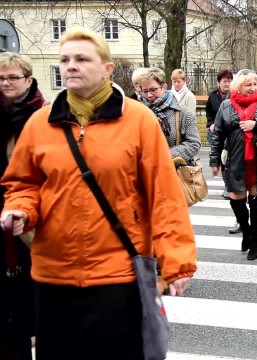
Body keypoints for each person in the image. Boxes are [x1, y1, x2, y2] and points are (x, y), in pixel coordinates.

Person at [0, 26, 196, 359]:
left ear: (107, 69)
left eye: (81, 59)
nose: (70, 66)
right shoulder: (40, 122)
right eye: (64, 60)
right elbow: (23, 182)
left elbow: (164, 196)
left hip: (116, 274)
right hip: (52, 275)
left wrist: (177, 263)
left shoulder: (138, 121)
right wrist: (20, 209)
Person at [0, 51, 47, 360]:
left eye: (12, 77)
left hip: (31, 218)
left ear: (29, 80)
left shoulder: (43, 116)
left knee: (32, 299)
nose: (5, 83)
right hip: (2, 217)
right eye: (1, 78)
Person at [210, 69, 257, 260]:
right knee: (236, 200)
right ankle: (246, 230)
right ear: (238, 86)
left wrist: (256, 123)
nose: (253, 88)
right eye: (248, 85)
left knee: (256, 200)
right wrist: (214, 160)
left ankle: (255, 240)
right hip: (235, 159)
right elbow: (218, 135)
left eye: (255, 84)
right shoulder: (225, 106)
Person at [139, 67, 201, 161]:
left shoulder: (183, 114)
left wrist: (165, 156)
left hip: (172, 171)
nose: (149, 95)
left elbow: (194, 143)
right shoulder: (138, 113)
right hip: (143, 171)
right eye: (145, 91)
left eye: (153, 90)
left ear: (164, 87)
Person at [206, 70, 238, 231]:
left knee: (227, 160)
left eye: (229, 81)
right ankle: (227, 183)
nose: (227, 83)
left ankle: (229, 185)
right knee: (219, 158)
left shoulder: (234, 96)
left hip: (230, 135)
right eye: (224, 81)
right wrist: (210, 123)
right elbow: (209, 114)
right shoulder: (213, 96)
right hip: (216, 131)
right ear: (219, 82)